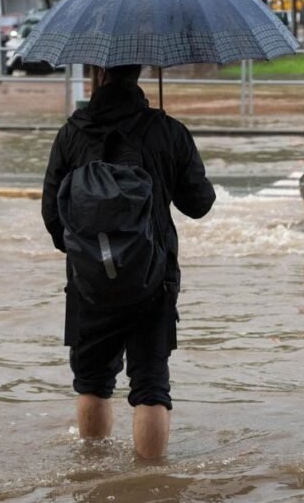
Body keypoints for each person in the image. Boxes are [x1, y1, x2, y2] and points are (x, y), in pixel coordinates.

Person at [41, 64, 215, 458]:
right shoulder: (167, 131)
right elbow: (199, 204)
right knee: (151, 386)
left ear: (97, 71)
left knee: (91, 382)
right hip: (154, 278)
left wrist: (91, 256)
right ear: (141, 70)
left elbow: (52, 216)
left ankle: (93, 475)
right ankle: (151, 486)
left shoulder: (71, 133)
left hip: (88, 282)